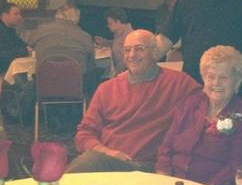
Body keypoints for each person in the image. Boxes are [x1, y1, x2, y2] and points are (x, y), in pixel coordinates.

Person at [67, 29, 200, 173]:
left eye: (139, 49)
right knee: (87, 162)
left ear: (155, 52)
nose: (131, 55)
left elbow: (207, 109)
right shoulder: (107, 88)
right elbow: (85, 133)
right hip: (108, 160)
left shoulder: (179, 84)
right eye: (127, 50)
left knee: (89, 163)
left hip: (147, 167)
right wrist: (105, 151)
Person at [155, 45, 242, 185]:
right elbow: (166, 147)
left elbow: (236, 167)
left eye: (223, 77)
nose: (216, 83)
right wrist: (164, 178)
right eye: (211, 76)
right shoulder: (190, 104)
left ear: (237, 82)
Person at [29, 5, 96, 76]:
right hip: (75, 80)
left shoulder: (41, 30)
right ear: (77, 19)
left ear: (56, 16)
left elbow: (30, 45)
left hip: (44, 78)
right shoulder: (85, 36)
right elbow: (91, 65)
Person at [95, 7, 133, 75]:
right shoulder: (119, 33)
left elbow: (128, 59)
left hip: (123, 74)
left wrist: (115, 74)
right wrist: (105, 42)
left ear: (118, 22)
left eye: (110, 24)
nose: (108, 26)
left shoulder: (129, 36)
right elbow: (117, 44)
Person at [0, 3, 29, 74]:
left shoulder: (10, 29)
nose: (20, 17)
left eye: (20, 14)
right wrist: (25, 50)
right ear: (5, 15)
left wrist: (30, 47)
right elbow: (2, 55)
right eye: (16, 14)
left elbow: (20, 44)